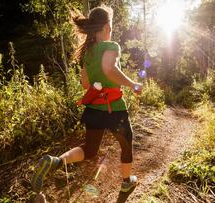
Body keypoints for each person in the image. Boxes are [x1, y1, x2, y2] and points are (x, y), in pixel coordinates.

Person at [31, 5, 142, 194]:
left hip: (93, 108)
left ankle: (56, 162)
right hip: (114, 108)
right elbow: (109, 68)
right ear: (107, 26)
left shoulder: (87, 51)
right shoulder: (111, 46)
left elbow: (85, 83)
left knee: (90, 150)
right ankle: (126, 181)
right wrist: (133, 85)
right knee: (126, 144)